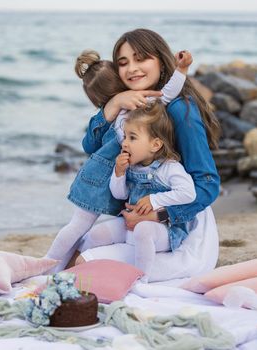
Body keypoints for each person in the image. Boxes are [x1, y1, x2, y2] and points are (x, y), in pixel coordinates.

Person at [74, 28, 221, 280]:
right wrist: (113, 103)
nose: (132, 68)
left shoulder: (178, 109)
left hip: (180, 229)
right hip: (138, 222)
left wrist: (159, 213)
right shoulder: (130, 108)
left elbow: (208, 185)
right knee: (83, 245)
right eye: (123, 63)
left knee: (83, 264)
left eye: (141, 58)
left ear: (161, 62)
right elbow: (91, 147)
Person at [44, 47, 193, 271]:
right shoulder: (134, 108)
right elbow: (167, 94)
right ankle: (48, 266)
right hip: (103, 178)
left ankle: (52, 267)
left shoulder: (114, 112)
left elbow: (90, 144)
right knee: (78, 227)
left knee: (77, 227)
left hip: (98, 175)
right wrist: (181, 69)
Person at [77, 100, 196, 278]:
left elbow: (188, 193)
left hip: (162, 232)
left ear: (155, 144)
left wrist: (154, 200)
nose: (125, 143)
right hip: (130, 226)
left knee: (143, 230)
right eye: (125, 136)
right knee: (97, 232)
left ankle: (141, 279)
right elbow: (120, 194)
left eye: (132, 137)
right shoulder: (132, 167)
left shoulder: (169, 167)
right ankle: (79, 269)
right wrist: (118, 173)